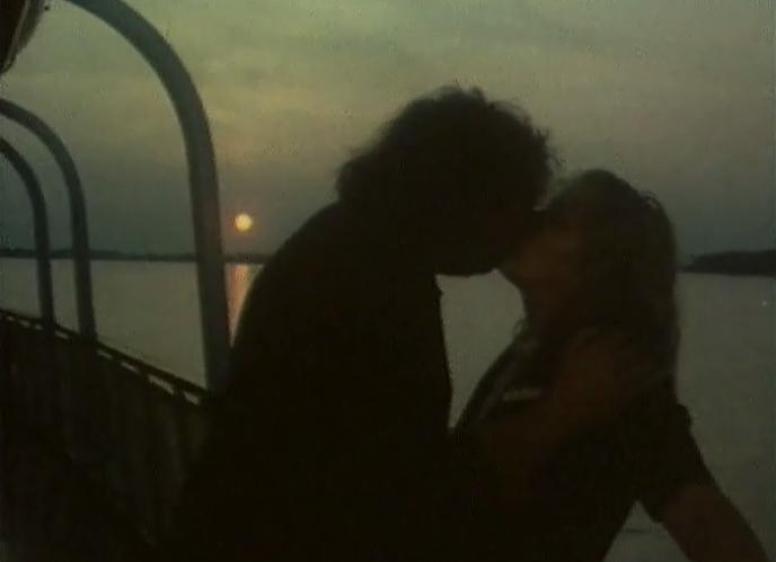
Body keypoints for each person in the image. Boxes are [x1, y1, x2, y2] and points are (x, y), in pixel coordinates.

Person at [164, 86, 562, 562]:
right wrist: (563, 413)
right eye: (513, 207)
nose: (520, 229)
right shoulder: (374, 281)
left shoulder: (353, 247)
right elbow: (404, 492)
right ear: (465, 197)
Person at [456, 169, 769, 562]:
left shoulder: (617, 378)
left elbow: (702, 520)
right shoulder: (534, 354)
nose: (530, 222)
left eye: (557, 221)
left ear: (599, 268)